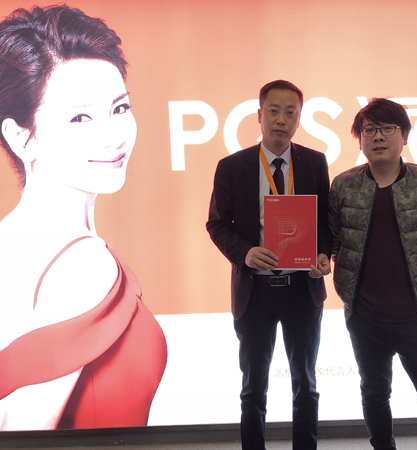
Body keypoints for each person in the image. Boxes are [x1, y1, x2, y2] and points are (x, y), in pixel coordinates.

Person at [0, 6, 167, 430]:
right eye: (80, 117)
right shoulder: (83, 263)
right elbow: (23, 434)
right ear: (22, 137)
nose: (112, 136)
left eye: (119, 108)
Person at [328, 98, 417, 450]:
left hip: (415, 317)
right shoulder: (343, 186)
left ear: (404, 136)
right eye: (369, 130)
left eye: (388, 128)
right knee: (375, 395)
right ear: (359, 139)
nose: (378, 136)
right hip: (364, 317)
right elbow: (332, 239)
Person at [207, 80, 332, 450]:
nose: (281, 120)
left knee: (305, 384)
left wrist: (323, 255)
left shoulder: (314, 162)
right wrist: (245, 252)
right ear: (260, 115)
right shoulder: (232, 167)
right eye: (274, 111)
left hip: (302, 291)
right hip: (255, 292)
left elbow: (326, 222)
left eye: (290, 113)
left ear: (299, 119)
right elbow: (217, 224)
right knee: (253, 386)